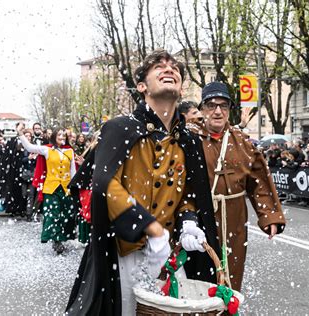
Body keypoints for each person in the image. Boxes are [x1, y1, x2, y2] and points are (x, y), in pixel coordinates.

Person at [66, 50, 218, 315]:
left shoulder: (190, 141)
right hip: (123, 253)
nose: (168, 69)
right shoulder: (119, 128)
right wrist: (150, 228)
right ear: (142, 86)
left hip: (167, 256)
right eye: (158, 66)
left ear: (181, 88)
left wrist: (188, 223)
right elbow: (105, 185)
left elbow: (189, 195)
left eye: (175, 69)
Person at [187, 81, 286, 291]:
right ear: (202, 108)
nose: (217, 111)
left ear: (229, 110)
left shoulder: (241, 142)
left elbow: (259, 181)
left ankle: (226, 309)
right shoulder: (189, 139)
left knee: (231, 273)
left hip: (233, 218)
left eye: (223, 106)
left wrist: (269, 215)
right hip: (199, 216)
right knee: (198, 276)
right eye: (211, 105)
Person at [17, 124, 76, 254]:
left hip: (66, 188)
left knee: (66, 215)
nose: (62, 137)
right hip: (51, 188)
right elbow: (29, 147)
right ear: (54, 137)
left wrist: (74, 187)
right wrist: (20, 134)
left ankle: (62, 236)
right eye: (59, 135)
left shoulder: (70, 151)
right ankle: (57, 240)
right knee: (52, 215)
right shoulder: (47, 150)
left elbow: (73, 172)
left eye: (64, 135)